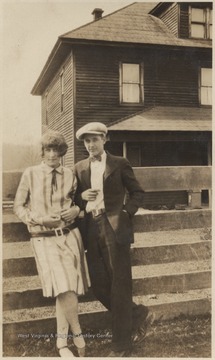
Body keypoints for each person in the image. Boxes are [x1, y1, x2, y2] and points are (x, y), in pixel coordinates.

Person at [74, 122, 154, 357]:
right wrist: (82, 197)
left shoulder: (120, 163)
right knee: (98, 285)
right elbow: (73, 203)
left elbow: (137, 193)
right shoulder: (78, 168)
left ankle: (121, 346)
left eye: (95, 140)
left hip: (115, 228)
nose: (90, 145)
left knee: (119, 285)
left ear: (105, 139)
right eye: (87, 141)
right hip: (91, 228)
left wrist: (126, 213)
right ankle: (138, 314)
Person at [13, 130, 90, 357]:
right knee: (64, 285)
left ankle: (61, 345)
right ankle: (78, 335)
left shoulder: (70, 174)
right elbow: (18, 206)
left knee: (66, 287)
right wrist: (38, 219)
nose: (52, 154)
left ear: (62, 152)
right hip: (43, 238)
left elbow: (78, 203)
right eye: (48, 149)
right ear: (42, 152)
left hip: (69, 236)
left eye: (57, 150)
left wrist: (76, 210)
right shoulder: (31, 174)